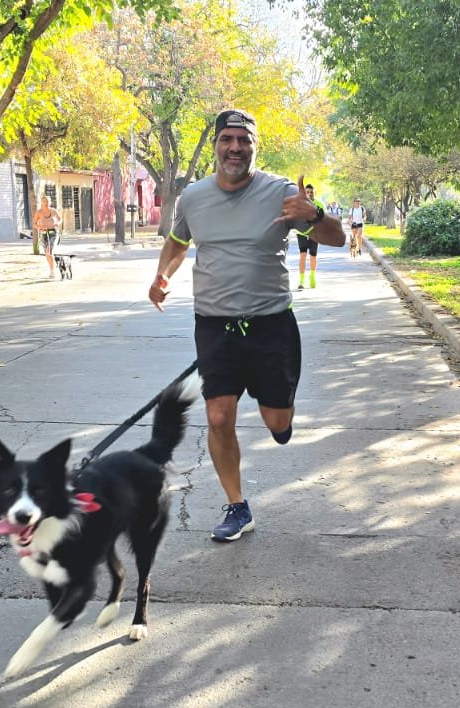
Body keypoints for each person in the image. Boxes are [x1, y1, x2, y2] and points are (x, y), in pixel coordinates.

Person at [147, 109, 345, 542]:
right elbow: (178, 242)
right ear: (216, 145)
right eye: (227, 139)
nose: (235, 148)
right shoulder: (193, 197)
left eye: (244, 140)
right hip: (214, 325)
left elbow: (338, 238)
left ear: (255, 146)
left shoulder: (280, 193)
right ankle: (237, 506)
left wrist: (314, 215)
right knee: (218, 416)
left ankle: (282, 419)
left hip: (271, 326)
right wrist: (163, 275)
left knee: (277, 421)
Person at [296, 183, 326, 290]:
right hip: (302, 233)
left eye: (311, 192)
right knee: (303, 255)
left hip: (314, 233)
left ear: (314, 193)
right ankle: (301, 281)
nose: (309, 194)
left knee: (313, 256)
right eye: (307, 192)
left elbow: (324, 219)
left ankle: (312, 276)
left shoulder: (319, 204)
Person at [33, 192, 62, 278]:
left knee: (49, 250)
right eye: (44, 201)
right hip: (44, 234)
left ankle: (53, 271)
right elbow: (34, 224)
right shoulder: (38, 212)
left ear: (50, 202)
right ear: (41, 202)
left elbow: (60, 219)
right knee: (47, 253)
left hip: (53, 233)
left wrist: (57, 223)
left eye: (47, 201)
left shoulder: (53, 211)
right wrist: (40, 227)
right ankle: (52, 269)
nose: (46, 203)